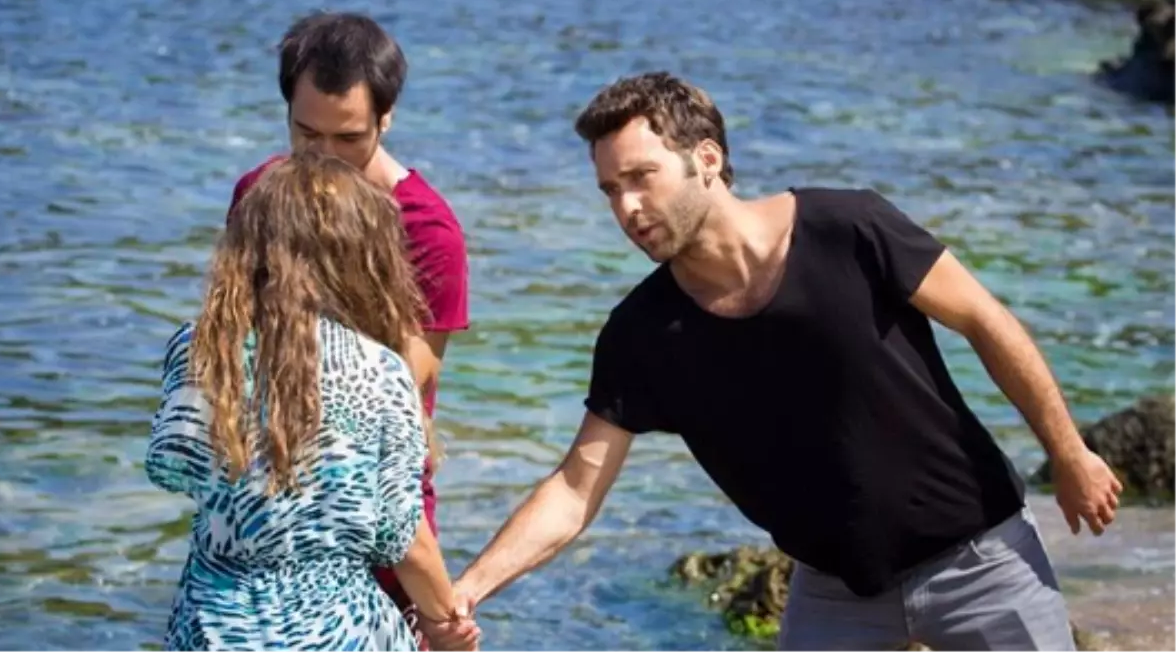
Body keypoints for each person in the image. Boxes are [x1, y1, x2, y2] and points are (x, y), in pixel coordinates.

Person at [444, 72, 1124, 650]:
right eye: (610, 190)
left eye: (642, 177)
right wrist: (467, 590)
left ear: (706, 159)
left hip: (981, 560)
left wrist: (1068, 453)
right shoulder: (640, 334)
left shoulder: (848, 227)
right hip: (833, 593)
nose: (627, 207)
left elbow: (985, 319)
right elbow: (574, 489)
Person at [146, 151, 480, 651]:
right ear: (365, 258)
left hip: (214, 624)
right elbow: (401, 536)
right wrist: (445, 625)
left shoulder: (200, 348)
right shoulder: (379, 370)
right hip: (340, 628)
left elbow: (171, 465)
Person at [226, 11, 469, 648]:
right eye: (307, 135)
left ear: (385, 119)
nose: (325, 159)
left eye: (348, 138)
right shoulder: (259, 198)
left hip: (378, 521)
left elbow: (402, 390)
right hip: (262, 510)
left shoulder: (427, 230)